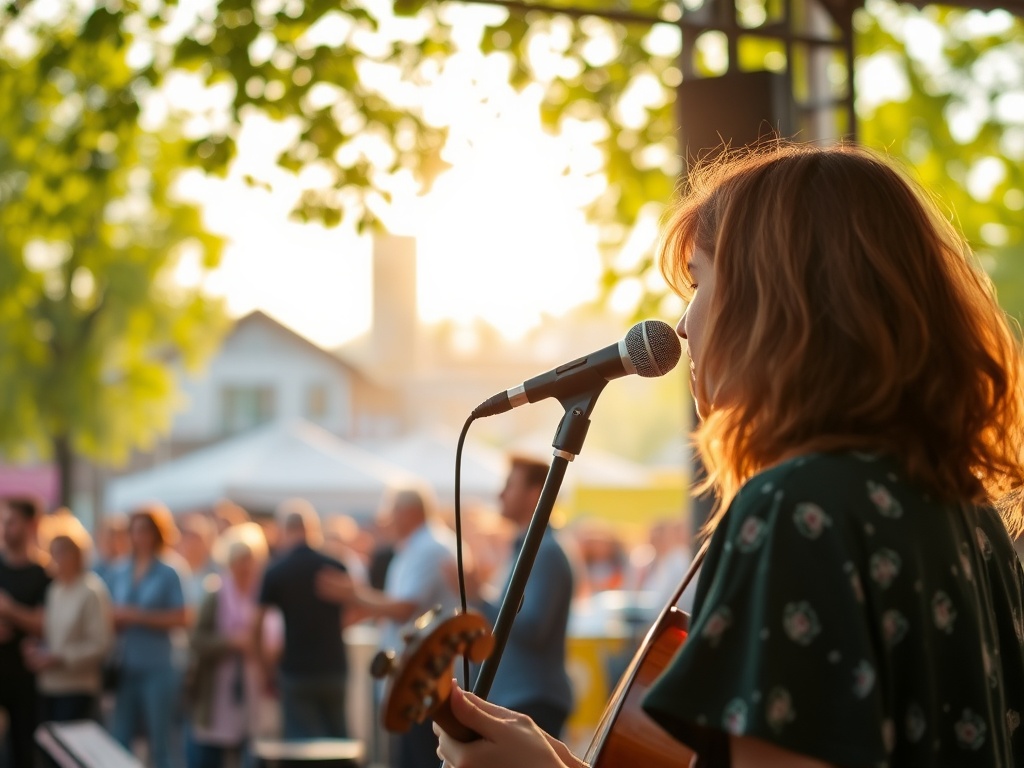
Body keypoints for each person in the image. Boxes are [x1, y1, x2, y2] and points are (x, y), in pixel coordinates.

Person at [433, 143, 1024, 768]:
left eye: (699, 281)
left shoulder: (796, 510)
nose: (683, 326)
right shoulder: (966, 510)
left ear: (774, 298)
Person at [461, 455, 574, 739]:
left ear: (534, 494)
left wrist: (480, 598)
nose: (500, 494)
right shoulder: (532, 549)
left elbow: (533, 629)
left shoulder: (545, 552)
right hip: (522, 698)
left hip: (530, 700)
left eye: (510, 485)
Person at [252, 497, 351, 742]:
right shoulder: (334, 565)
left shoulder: (277, 571)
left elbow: (256, 625)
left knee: (301, 746)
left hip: (296, 669)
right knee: (339, 743)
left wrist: (265, 668)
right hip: (333, 665)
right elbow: (354, 609)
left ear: (284, 530)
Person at [107, 503, 190, 768]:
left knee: (161, 741)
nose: (139, 536)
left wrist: (138, 616)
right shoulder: (120, 570)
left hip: (159, 665)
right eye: (135, 530)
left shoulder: (169, 571)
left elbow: (182, 617)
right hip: (127, 664)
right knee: (120, 737)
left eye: (144, 530)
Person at [186, 522, 269, 768]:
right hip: (219, 687)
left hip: (252, 686)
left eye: (250, 561)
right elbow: (197, 639)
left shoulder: (261, 595)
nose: (246, 567)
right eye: (240, 561)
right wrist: (231, 643)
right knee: (212, 754)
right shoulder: (216, 593)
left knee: (250, 750)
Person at [24, 512, 113, 726]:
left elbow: (100, 644)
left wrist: (61, 657)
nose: (58, 558)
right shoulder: (55, 589)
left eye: (64, 551)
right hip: (48, 684)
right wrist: (35, 647)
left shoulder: (91, 590)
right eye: (54, 551)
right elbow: (51, 632)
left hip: (77, 686)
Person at [0, 496, 50, 768]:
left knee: (23, 754)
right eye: (3, 522)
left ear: (31, 525)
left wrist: (10, 611)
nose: (5, 529)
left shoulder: (43, 574)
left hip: (26, 681)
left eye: (12, 522)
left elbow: (43, 624)